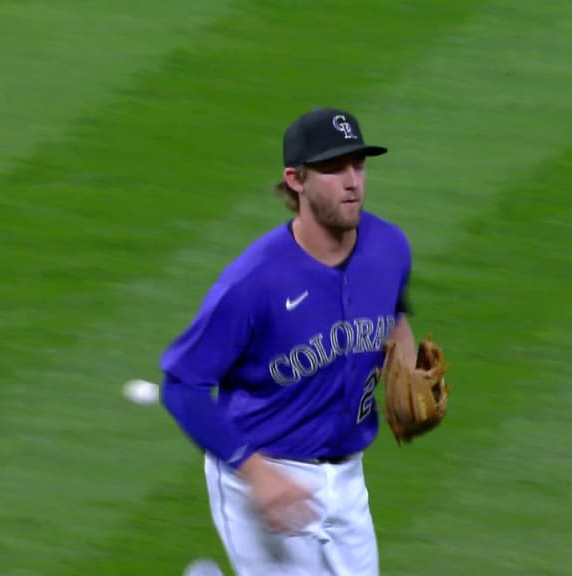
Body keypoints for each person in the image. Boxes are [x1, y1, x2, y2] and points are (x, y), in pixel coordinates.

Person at [160, 106, 416, 576]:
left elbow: (394, 310)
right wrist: (257, 475)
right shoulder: (252, 283)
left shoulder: (389, 247)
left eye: (358, 165)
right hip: (264, 473)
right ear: (295, 180)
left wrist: (407, 362)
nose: (352, 181)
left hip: (349, 477)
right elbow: (181, 386)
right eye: (333, 168)